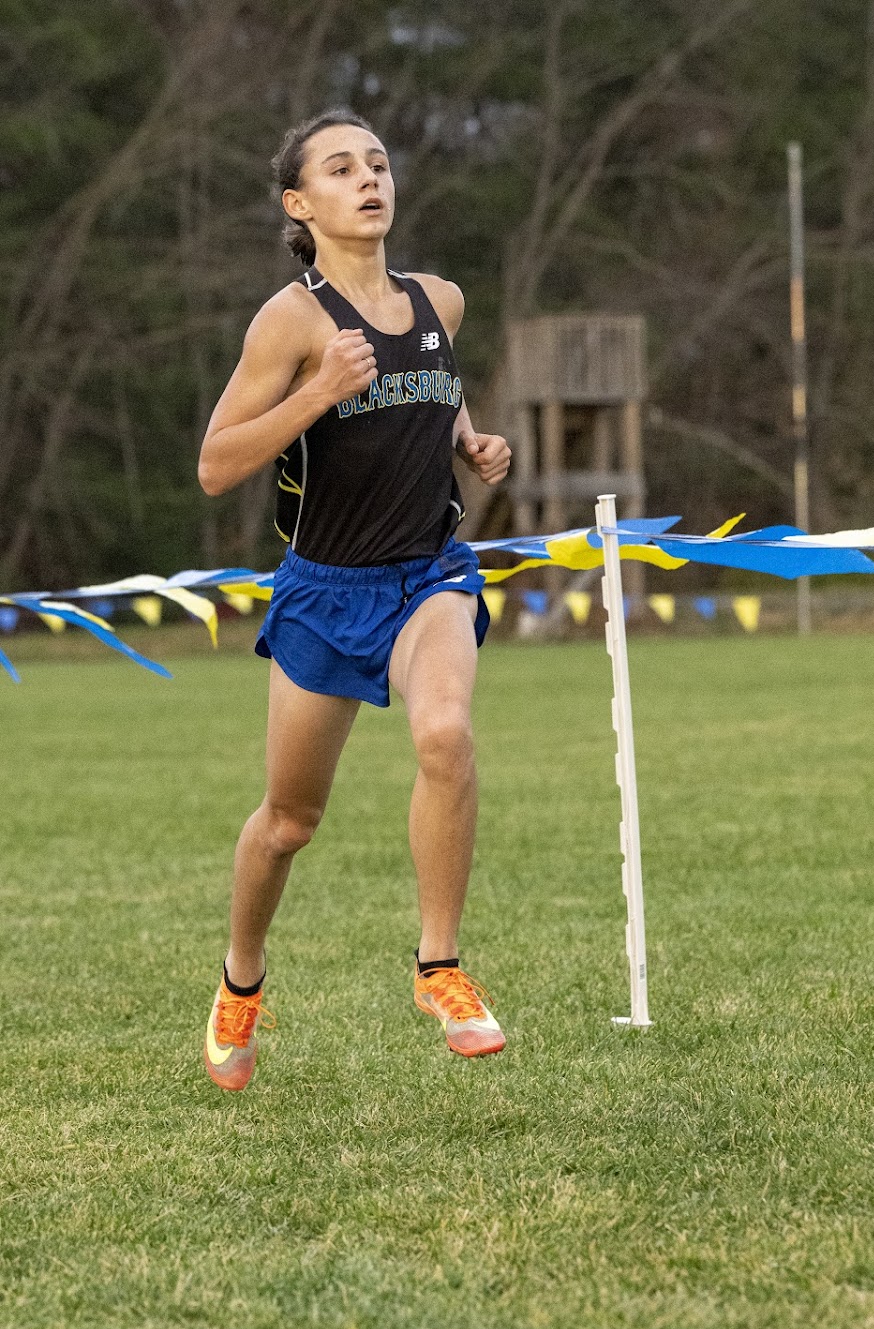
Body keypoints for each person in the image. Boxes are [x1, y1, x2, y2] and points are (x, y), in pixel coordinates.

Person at [197, 108, 511, 1091]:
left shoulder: (440, 301)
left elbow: (430, 381)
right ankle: (241, 979)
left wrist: (467, 438)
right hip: (325, 590)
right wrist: (316, 393)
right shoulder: (292, 322)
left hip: (428, 574)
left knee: (445, 735)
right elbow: (216, 465)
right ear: (300, 204)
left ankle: (439, 966)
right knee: (289, 821)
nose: (369, 178)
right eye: (340, 169)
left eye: (377, 163)